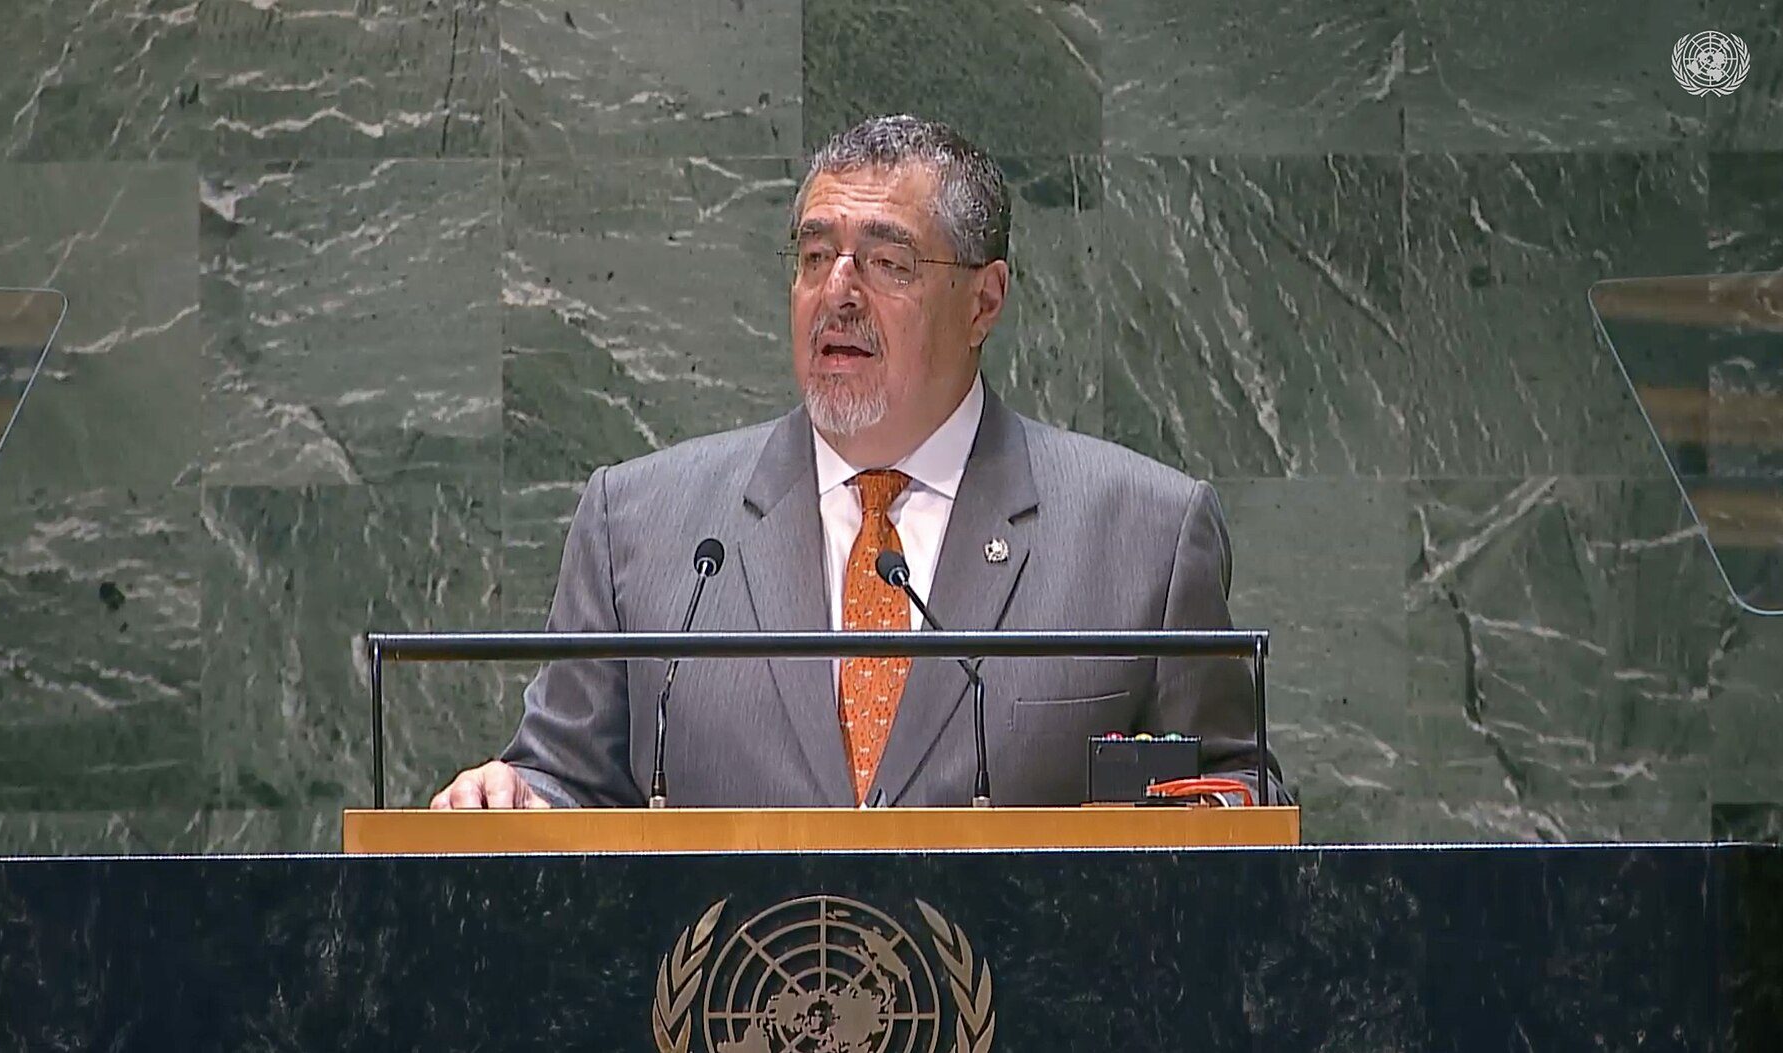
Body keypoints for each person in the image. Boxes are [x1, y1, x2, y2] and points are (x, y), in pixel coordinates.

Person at [433, 114, 1287, 810]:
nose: (837, 291)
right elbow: (564, 777)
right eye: (813, 257)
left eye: (886, 262)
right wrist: (513, 794)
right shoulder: (640, 524)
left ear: (984, 300)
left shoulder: (1146, 533)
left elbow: (1236, 792)